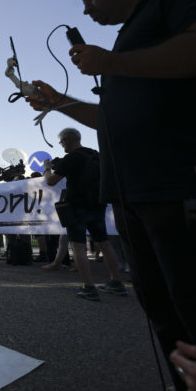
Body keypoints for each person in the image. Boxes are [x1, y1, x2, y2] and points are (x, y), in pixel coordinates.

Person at [20, 0, 196, 388]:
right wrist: (59, 103)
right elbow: (110, 119)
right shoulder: (125, 46)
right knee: (169, 320)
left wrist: (111, 63)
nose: (85, 8)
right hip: (137, 200)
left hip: (189, 191)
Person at [43, 128, 126, 301]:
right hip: (98, 204)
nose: (62, 145)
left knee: (78, 246)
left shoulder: (72, 157)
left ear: (66, 140)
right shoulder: (96, 154)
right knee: (104, 243)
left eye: (61, 142)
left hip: (76, 206)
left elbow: (51, 181)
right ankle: (116, 282)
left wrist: (47, 168)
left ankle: (88, 287)